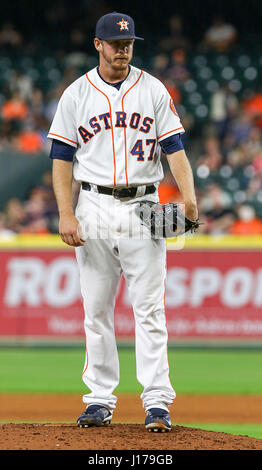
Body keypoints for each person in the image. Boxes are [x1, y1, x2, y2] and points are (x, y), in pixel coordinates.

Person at [48, 12, 198, 432]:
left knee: (150, 309)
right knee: (96, 309)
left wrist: (188, 198)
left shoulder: (151, 89)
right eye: (115, 43)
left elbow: (175, 149)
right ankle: (99, 400)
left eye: (128, 42)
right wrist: (65, 211)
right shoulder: (77, 94)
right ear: (98, 44)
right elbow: (60, 158)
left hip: (143, 206)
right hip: (92, 205)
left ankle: (157, 403)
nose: (123, 48)